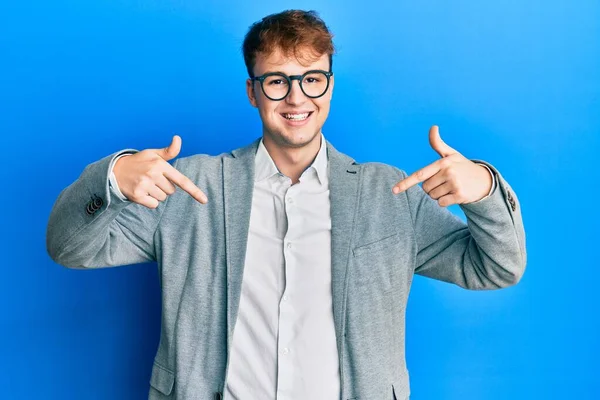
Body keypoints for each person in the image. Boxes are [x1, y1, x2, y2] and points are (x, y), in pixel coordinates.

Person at [46, 9, 526, 400]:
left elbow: (498, 267)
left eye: (312, 79)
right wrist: (109, 177)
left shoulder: (389, 193)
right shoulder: (188, 187)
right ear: (253, 92)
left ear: (330, 86)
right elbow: (70, 249)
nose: (296, 97)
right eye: (276, 81)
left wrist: (483, 189)